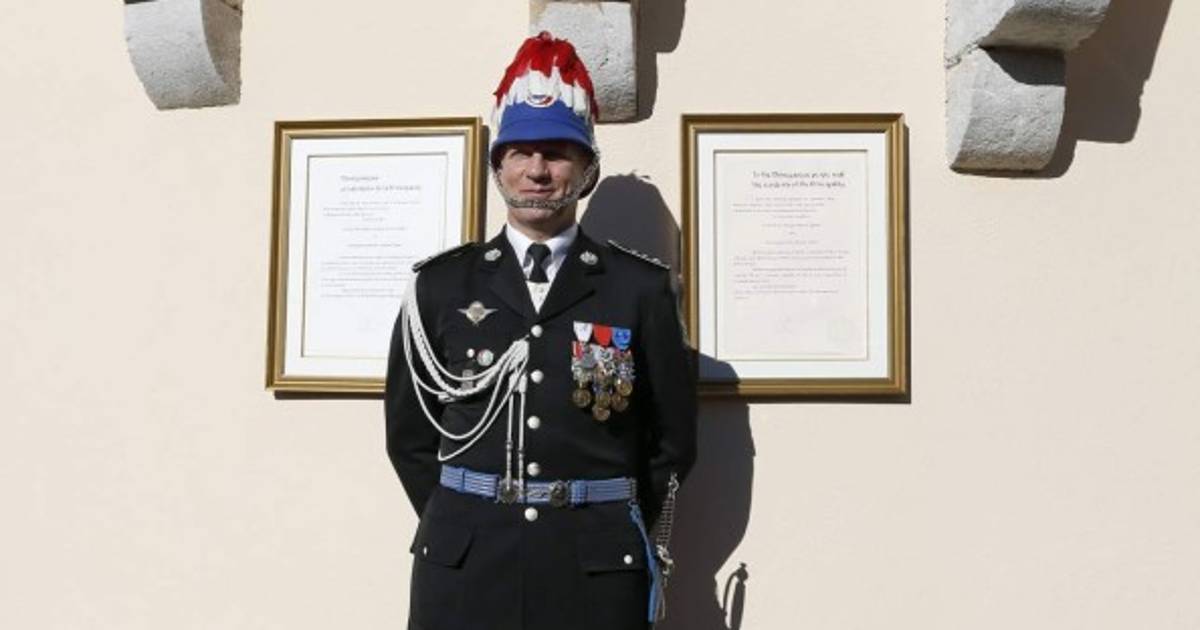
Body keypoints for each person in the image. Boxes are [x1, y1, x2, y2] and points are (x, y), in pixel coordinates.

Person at [385, 32, 697, 630]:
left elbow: (672, 443)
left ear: (588, 170)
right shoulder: (440, 286)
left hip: (594, 566)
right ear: (497, 166)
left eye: (556, 153)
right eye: (520, 153)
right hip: (466, 561)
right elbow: (408, 436)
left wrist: (607, 519)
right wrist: (467, 513)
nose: (536, 171)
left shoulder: (639, 289)